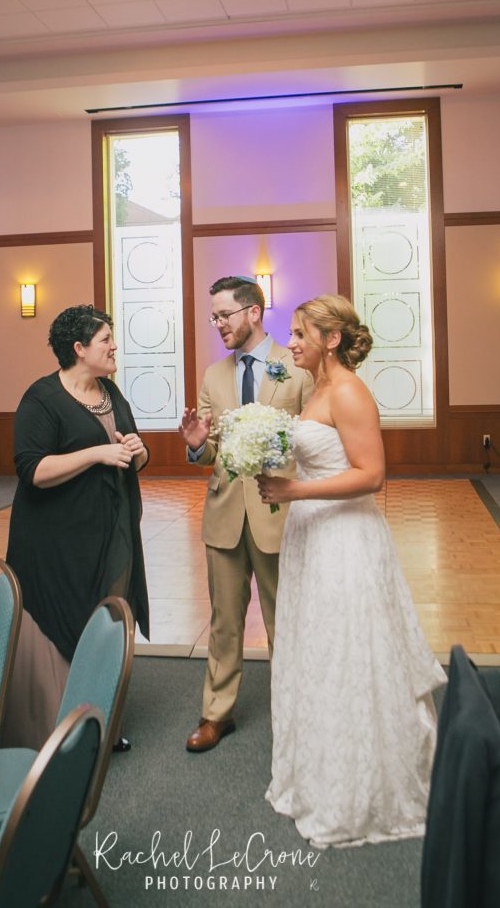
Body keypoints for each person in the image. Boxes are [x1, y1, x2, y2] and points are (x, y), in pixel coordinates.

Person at [256, 294, 446, 847]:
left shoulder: (348, 391)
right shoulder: (315, 389)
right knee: (317, 650)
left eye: (300, 333)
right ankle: (319, 772)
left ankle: (364, 788)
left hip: (345, 539)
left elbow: (372, 474)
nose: (290, 342)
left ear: (331, 339)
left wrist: (294, 490)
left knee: (349, 650)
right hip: (310, 536)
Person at [1, 304, 149, 749]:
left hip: (113, 529)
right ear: (79, 348)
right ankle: (60, 730)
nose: (114, 346)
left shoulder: (110, 392)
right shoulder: (42, 398)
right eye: (106, 340)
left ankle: (103, 722)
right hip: (56, 539)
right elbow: (33, 470)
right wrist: (96, 454)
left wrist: (137, 451)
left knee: (108, 618)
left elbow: (131, 454)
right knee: (66, 621)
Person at [179, 276, 313, 752]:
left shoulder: (296, 367)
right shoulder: (214, 375)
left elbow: (313, 439)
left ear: (254, 312)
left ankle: (297, 715)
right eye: (213, 317)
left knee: (285, 620)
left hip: (280, 513)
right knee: (224, 621)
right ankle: (216, 714)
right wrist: (198, 445)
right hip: (224, 514)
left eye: (224, 315)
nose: (217, 324)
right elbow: (211, 451)